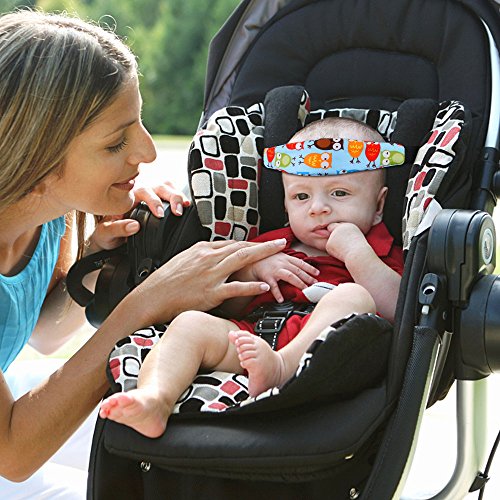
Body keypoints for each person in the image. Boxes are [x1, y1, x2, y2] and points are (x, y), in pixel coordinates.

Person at [0, 10, 290, 498]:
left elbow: (45, 335)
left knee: (181, 445)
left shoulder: (50, 215)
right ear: (38, 161)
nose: (148, 152)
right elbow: (14, 453)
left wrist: (101, 260)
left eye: (138, 124)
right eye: (116, 143)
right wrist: (150, 301)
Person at [99, 116, 404, 439]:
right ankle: (154, 397)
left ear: (378, 206)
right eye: (301, 197)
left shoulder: (378, 249)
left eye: (339, 193)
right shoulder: (271, 246)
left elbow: (399, 311)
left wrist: (358, 255)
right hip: (250, 339)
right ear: (286, 205)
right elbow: (226, 308)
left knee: (354, 298)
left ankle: (281, 368)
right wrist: (254, 270)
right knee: (190, 323)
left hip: (326, 355)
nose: (318, 208)